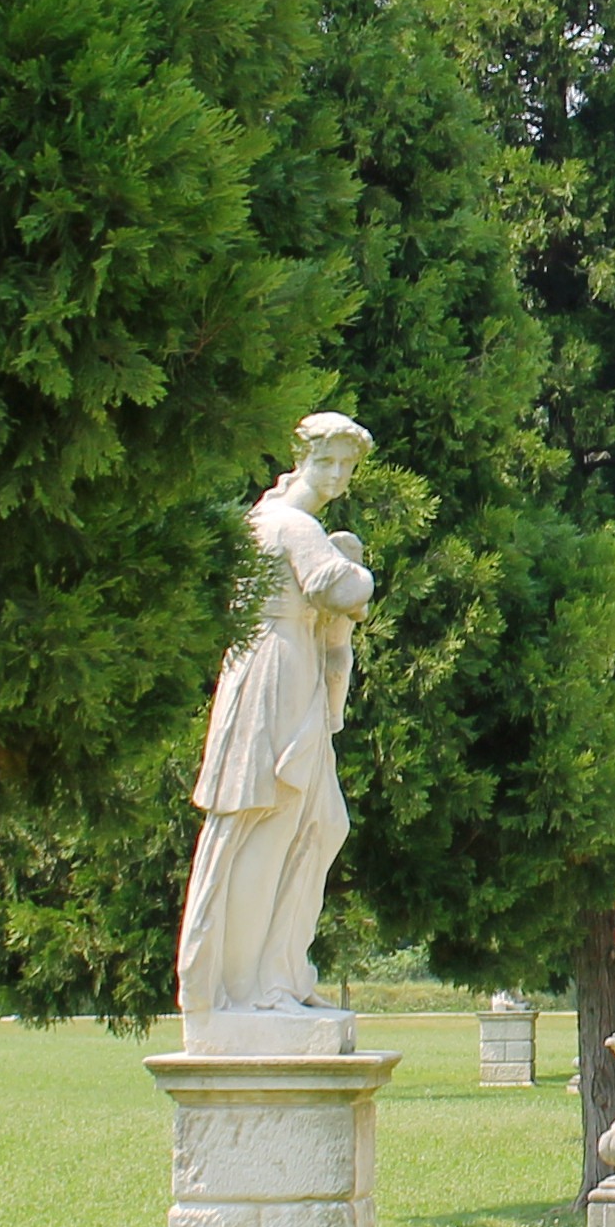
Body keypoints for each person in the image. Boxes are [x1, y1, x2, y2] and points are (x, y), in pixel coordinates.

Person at [177, 412, 376, 1028]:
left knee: (319, 820)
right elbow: (337, 588)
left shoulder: (271, 519)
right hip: (275, 668)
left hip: (288, 662)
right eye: (326, 462)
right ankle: (252, 987)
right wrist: (358, 568)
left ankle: (280, 973)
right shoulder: (291, 524)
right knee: (274, 820)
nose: (337, 476)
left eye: (347, 465)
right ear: (300, 459)